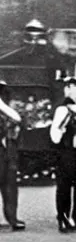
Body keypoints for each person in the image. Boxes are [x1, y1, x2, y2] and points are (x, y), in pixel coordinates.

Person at [49, 76, 76, 232]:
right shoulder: (62, 109)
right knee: (64, 187)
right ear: (66, 89)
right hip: (66, 152)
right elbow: (54, 134)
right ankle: (63, 218)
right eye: (73, 88)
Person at [0, 81, 25, 231]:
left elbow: (18, 122)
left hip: (8, 153)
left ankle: (12, 218)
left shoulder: (7, 110)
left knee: (10, 187)